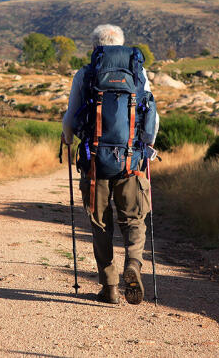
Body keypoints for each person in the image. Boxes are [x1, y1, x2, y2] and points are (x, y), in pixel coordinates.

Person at [62, 24, 159, 305]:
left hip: (96, 163)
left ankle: (110, 287)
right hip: (131, 159)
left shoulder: (86, 74)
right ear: (121, 44)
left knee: (100, 223)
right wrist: (146, 147)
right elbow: (151, 114)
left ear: (96, 48)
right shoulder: (137, 73)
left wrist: (67, 139)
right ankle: (133, 264)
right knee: (134, 219)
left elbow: (71, 116)